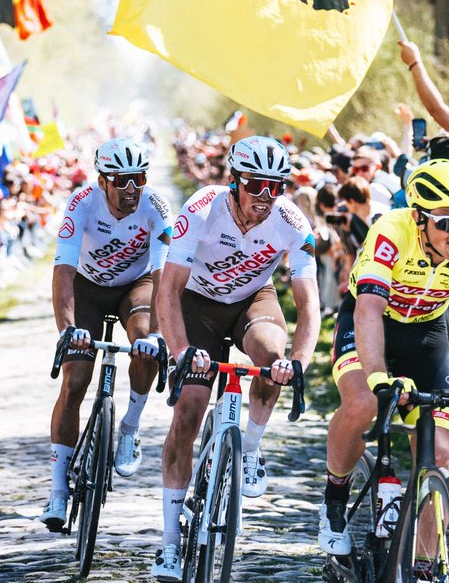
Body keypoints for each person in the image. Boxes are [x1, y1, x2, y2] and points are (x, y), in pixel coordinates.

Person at [318, 159, 449, 560]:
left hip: (427, 333)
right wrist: (378, 376)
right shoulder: (392, 229)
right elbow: (369, 309)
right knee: (363, 402)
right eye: (448, 222)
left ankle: (423, 565)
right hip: (372, 321)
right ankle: (334, 499)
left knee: (438, 452)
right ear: (420, 218)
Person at [152, 136, 320, 581]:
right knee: (188, 413)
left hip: (252, 300)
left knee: (272, 357)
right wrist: (181, 352)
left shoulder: (291, 221)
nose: (265, 196)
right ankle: (169, 543)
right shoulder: (202, 208)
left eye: (275, 187)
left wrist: (298, 363)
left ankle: (250, 449)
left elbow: (310, 307)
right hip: (197, 304)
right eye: (256, 184)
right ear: (233, 181)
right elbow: (167, 292)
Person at [41, 138, 172, 531]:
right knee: (76, 380)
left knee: (146, 344)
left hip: (135, 287)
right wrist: (68, 329)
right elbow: (63, 272)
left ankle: (130, 426)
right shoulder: (81, 204)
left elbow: (163, 276)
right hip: (88, 288)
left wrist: (158, 335)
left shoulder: (156, 206)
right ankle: (58, 488)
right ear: (102, 181)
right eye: (122, 180)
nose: (132, 189)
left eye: (139, 179)